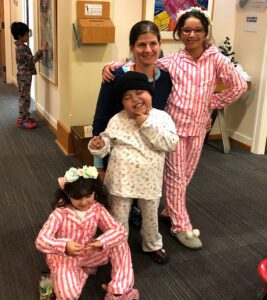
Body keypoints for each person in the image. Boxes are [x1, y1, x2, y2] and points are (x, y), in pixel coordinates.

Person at [102, 7, 248, 249]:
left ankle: (170, 210)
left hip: (199, 128)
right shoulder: (173, 60)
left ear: (205, 33)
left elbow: (239, 86)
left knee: (186, 177)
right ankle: (181, 224)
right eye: (187, 30)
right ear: (179, 33)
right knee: (176, 178)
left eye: (197, 30)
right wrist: (113, 65)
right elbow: (140, 61)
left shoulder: (216, 59)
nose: (192, 35)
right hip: (175, 129)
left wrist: (212, 103)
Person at [89, 71, 179, 264]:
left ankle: (153, 244)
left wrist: (146, 123)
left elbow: (170, 143)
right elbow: (106, 143)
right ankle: (118, 248)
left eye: (140, 93)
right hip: (121, 180)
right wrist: (98, 146)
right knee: (118, 217)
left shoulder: (162, 118)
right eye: (128, 97)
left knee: (150, 216)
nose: (135, 99)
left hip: (150, 180)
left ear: (150, 95)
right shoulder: (117, 119)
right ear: (122, 103)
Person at [35, 165, 139, 300]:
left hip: (89, 252)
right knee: (69, 296)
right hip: (64, 259)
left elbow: (120, 231)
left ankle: (119, 291)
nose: (84, 202)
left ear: (94, 192)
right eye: (77, 198)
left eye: (88, 196)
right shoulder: (60, 213)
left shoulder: (97, 208)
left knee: (120, 243)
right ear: (67, 195)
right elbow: (41, 241)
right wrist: (65, 246)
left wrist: (102, 241)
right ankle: (77, 272)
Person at [10, 22, 47, 129]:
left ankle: (25, 116)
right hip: (24, 76)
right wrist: (41, 50)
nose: (28, 36)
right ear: (20, 36)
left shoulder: (21, 45)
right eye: (26, 34)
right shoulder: (21, 48)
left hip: (25, 75)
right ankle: (22, 120)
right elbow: (32, 59)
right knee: (24, 97)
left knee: (25, 97)